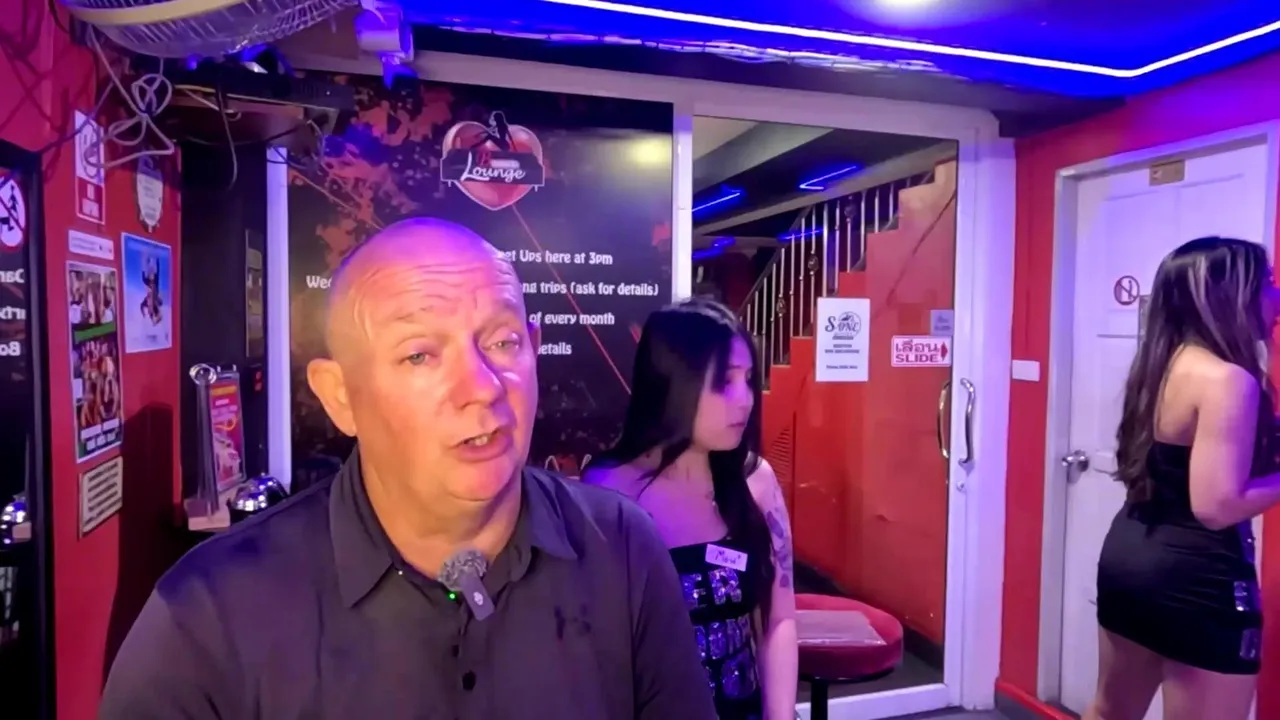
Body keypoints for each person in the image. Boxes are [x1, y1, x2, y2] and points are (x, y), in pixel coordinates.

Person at [99, 218, 717, 720]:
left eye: (503, 342)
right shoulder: (207, 616)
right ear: (340, 396)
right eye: (420, 355)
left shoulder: (622, 551)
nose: (482, 387)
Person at [1089, 237, 1280, 720]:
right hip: (1195, 574)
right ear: (1232, 295)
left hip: (1131, 557)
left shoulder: (1162, 365)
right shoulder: (1227, 380)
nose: (1275, 295)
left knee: (1110, 711)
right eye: (1267, 282)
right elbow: (1215, 506)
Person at [584, 298, 798, 720]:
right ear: (673, 384)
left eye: (748, 380)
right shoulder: (608, 490)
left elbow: (779, 620)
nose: (745, 400)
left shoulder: (755, 480)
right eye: (724, 382)